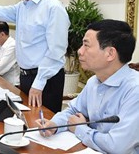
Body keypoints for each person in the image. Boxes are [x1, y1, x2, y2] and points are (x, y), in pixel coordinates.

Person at [37, 19, 139, 154]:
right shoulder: (94, 82)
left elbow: (117, 146)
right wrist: (54, 125)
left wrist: (79, 128)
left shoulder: (134, 89)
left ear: (110, 54)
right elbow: (72, 111)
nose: (80, 51)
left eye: (87, 45)